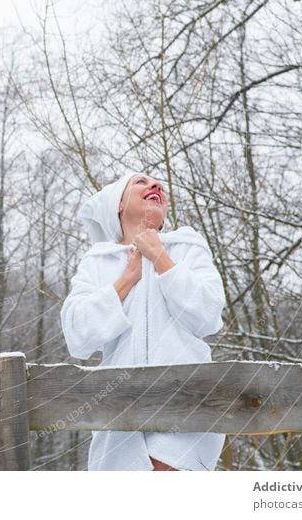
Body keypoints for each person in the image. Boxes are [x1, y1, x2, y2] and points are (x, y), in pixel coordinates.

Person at [60, 171, 226, 471]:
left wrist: (160, 258)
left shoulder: (187, 246)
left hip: (188, 402)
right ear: (118, 205)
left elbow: (209, 316)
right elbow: (78, 336)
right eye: (140, 182)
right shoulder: (98, 261)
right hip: (118, 409)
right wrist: (126, 280)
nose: (155, 185)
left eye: (158, 184)